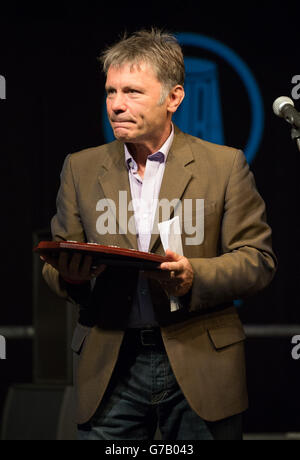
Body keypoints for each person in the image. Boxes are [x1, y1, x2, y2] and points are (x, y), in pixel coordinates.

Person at [42, 28, 277, 440]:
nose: (116, 105)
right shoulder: (79, 168)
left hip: (198, 363)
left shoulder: (224, 166)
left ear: (174, 98)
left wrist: (194, 277)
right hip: (111, 365)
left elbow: (257, 261)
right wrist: (70, 277)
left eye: (132, 92)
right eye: (111, 92)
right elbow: (55, 261)